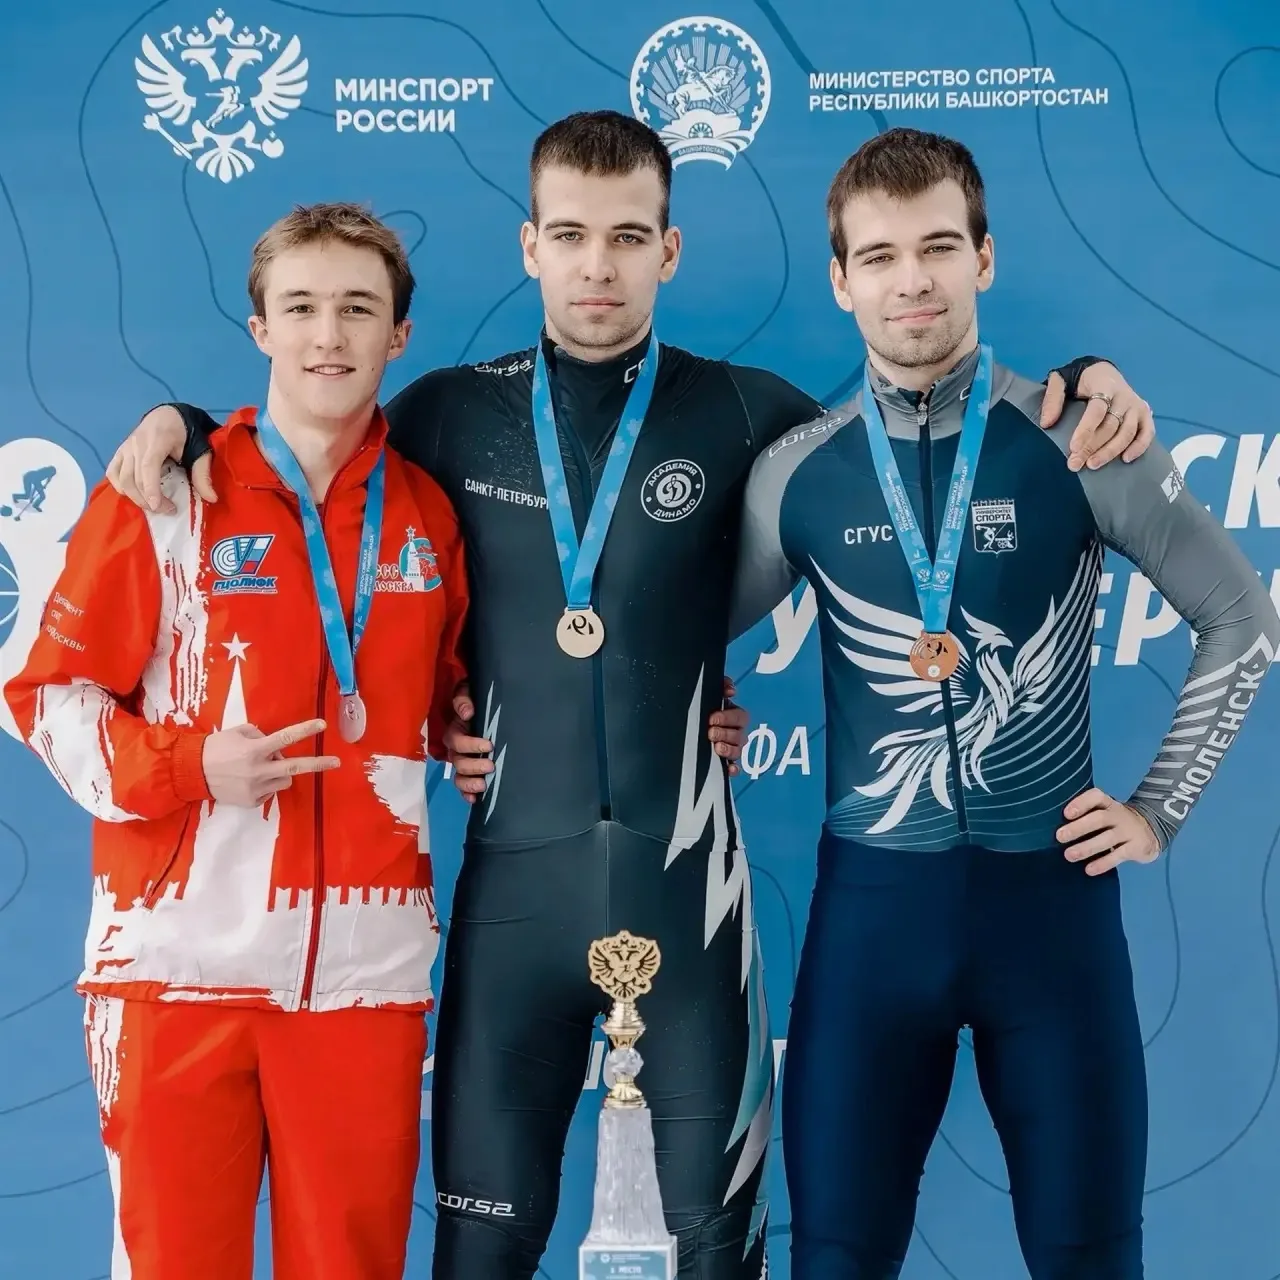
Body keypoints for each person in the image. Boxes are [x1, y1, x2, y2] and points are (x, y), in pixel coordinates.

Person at [101, 111, 1157, 1280]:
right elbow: (309, 446)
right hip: (515, 897)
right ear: (529, 247)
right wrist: (182, 422)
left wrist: (1078, 384)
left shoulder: (751, 412)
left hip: (689, 894)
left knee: (719, 1249)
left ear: (668, 249)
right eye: (568, 234)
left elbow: (913, 427)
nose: (595, 264)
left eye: (625, 235)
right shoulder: (446, 412)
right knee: (479, 1247)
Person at [730, 127, 1280, 1280]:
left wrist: (1157, 809)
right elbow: (657, 641)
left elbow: (1241, 617)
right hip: (871, 916)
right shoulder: (799, 468)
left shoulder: (1083, 438)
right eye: (878, 256)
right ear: (838, 280)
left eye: (937, 246)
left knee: (1088, 1259)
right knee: (834, 1258)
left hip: (1049, 917)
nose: (911, 279)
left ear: (982, 257)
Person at [3, 203, 470, 1280]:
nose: (327, 336)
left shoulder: (426, 515)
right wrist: (188, 765)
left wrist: (467, 730)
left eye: (357, 309)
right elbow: (44, 697)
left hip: (363, 986)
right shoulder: (165, 494)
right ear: (259, 328)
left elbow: (449, 696)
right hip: (172, 974)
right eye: (299, 307)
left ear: (399, 335)